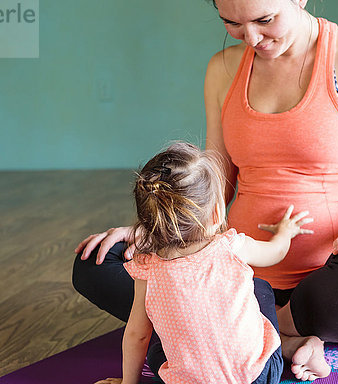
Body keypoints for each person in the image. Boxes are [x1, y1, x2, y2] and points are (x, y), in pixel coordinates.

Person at [74, 0, 338, 381]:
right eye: (232, 23)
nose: (252, 38)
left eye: (265, 20)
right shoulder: (222, 69)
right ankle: (279, 341)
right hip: (227, 279)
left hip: (325, 285)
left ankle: (251, 329)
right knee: (97, 261)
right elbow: (214, 182)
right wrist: (157, 233)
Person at [95, 142, 314, 384]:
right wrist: (285, 231)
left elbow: (137, 336)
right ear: (217, 213)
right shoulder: (231, 246)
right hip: (258, 376)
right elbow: (276, 252)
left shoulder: (148, 270)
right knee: (260, 288)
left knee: (157, 349)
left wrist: (128, 383)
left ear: (147, 225)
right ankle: (289, 345)